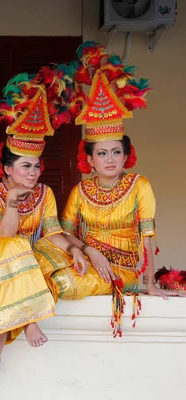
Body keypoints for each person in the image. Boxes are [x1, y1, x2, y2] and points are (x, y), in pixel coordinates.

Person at [35, 42, 185, 339]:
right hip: (86, 257)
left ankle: (28, 322)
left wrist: (149, 283)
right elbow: (63, 233)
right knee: (38, 252)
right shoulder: (81, 190)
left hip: (121, 269)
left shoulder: (139, 185)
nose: (110, 159)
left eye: (116, 152)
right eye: (102, 154)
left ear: (126, 154)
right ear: (89, 159)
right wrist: (87, 250)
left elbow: (147, 236)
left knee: (64, 284)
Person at [0, 67, 87, 391]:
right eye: (26, 166)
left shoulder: (45, 193)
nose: (34, 172)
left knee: (39, 255)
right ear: (8, 169)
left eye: (37, 165)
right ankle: (30, 321)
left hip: (17, 259)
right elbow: (6, 236)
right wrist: (12, 199)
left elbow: (53, 231)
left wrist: (75, 249)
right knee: (18, 248)